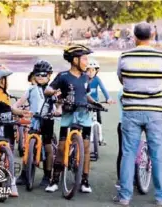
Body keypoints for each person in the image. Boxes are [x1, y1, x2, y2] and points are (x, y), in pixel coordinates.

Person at [115, 22, 162, 206]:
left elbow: (121, 78)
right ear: (152, 35)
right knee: (157, 154)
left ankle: (124, 196)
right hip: (154, 110)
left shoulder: (125, 57)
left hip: (131, 110)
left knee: (128, 153)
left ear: (134, 36)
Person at [44, 44, 101, 193]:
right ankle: (54, 180)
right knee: (62, 148)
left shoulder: (85, 77)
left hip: (84, 114)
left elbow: (86, 94)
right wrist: (53, 92)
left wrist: (95, 103)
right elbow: (48, 89)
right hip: (68, 115)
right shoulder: (63, 76)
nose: (86, 62)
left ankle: (84, 181)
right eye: (84, 58)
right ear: (75, 60)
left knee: (87, 148)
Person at [0, 64, 30, 197]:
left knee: (6, 157)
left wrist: (20, 113)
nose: (6, 82)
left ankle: (10, 183)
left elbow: (9, 108)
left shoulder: (3, 94)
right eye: (5, 79)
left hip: (6, 127)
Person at [13, 60, 58, 187]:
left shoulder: (53, 91)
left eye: (43, 74)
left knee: (48, 147)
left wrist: (57, 111)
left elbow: (59, 106)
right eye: (37, 74)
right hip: (34, 121)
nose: (40, 77)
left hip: (48, 121)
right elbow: (17, 104)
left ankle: (47, 175)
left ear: (49, 75)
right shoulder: (31, 89)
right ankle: (24, 173)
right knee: (28, 146)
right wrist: (19, 110)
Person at [86, 58, 115, 143]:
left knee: (98, 118)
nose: (91, 72)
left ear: (96, 71)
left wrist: (108, 98)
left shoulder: (97, 79)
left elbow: (103, 88)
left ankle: (100, 137)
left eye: (93, 70)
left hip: (95, 102)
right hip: (85, 102)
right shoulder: (83, 79)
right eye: (89, 70)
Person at [115, 88, 123, 189]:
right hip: (124, 124)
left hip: (135, 123)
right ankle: (120, 178)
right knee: (123, 152)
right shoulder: (122, 91)